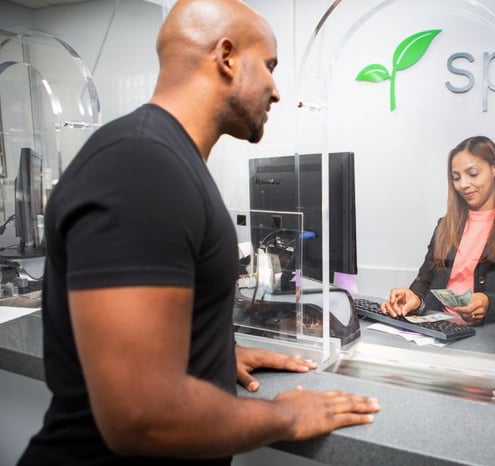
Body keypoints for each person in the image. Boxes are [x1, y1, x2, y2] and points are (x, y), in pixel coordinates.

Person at [18, 1, 379, 464]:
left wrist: (213, 354)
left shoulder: (167, 159)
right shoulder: (141, 165)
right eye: (269, 66)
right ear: (227, 56)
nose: (276, 90)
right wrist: (286, 416)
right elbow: (143, 414)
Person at [381, 136, 495, 324]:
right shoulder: (445, 225)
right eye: (456, 178)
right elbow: (424, 281)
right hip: (438, 327)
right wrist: (414, 298)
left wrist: (488, 303)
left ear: (494, 169)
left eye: (472, 174)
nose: (463, 184)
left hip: (486, 337)